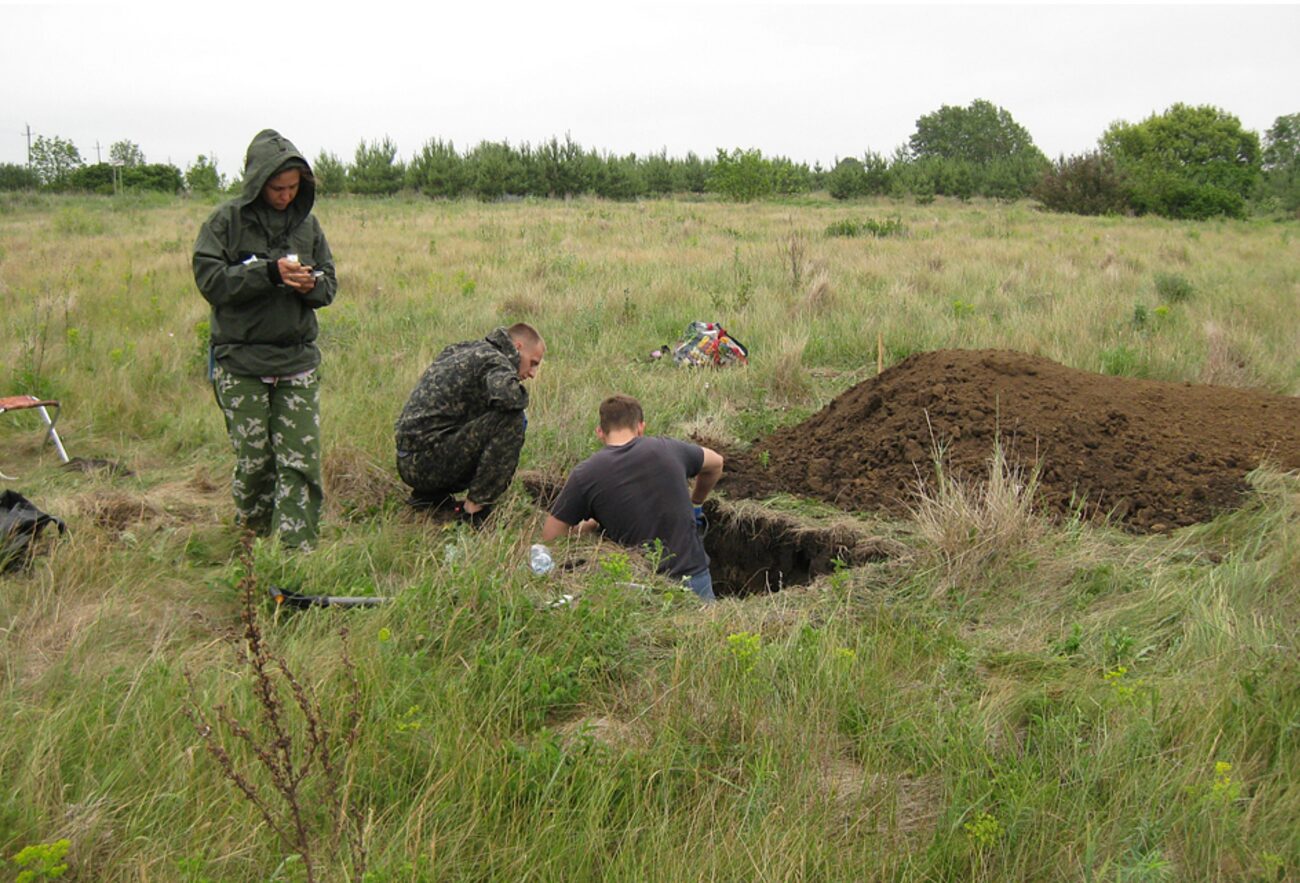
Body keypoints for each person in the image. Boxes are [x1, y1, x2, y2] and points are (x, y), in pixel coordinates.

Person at [193, 129, 336, 550]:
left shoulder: (308, 227)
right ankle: (253, 545)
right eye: (277, 187)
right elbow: (211, 281)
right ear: (257, 181)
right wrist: (268, 273)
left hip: (297, 363)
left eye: (293, 188)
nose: (285, 195)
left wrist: (306, 283)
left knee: (301, 463)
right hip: (242, 364)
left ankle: (298, 553)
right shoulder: (225, 223)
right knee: (256, 463)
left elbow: (329, 286)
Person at [541, 395, 724, 601]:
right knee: (707, 632)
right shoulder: (669, 449)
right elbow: (716, 463)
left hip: (639, 586)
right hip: (694, 577)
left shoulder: (585, 474)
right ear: (641, 427)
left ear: (600, 433)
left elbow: (551, 535)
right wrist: (696, 503)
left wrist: (590, 526)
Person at [394, 324, 545, 525]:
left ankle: (429, 497)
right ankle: (475, 511)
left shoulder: (467, 348)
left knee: (491, 413)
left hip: (410, 458)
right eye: (532, 363)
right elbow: (511, 398)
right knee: (513, 419)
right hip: (425, 463)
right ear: (517, 347)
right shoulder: (495, 361)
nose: (532, 373)